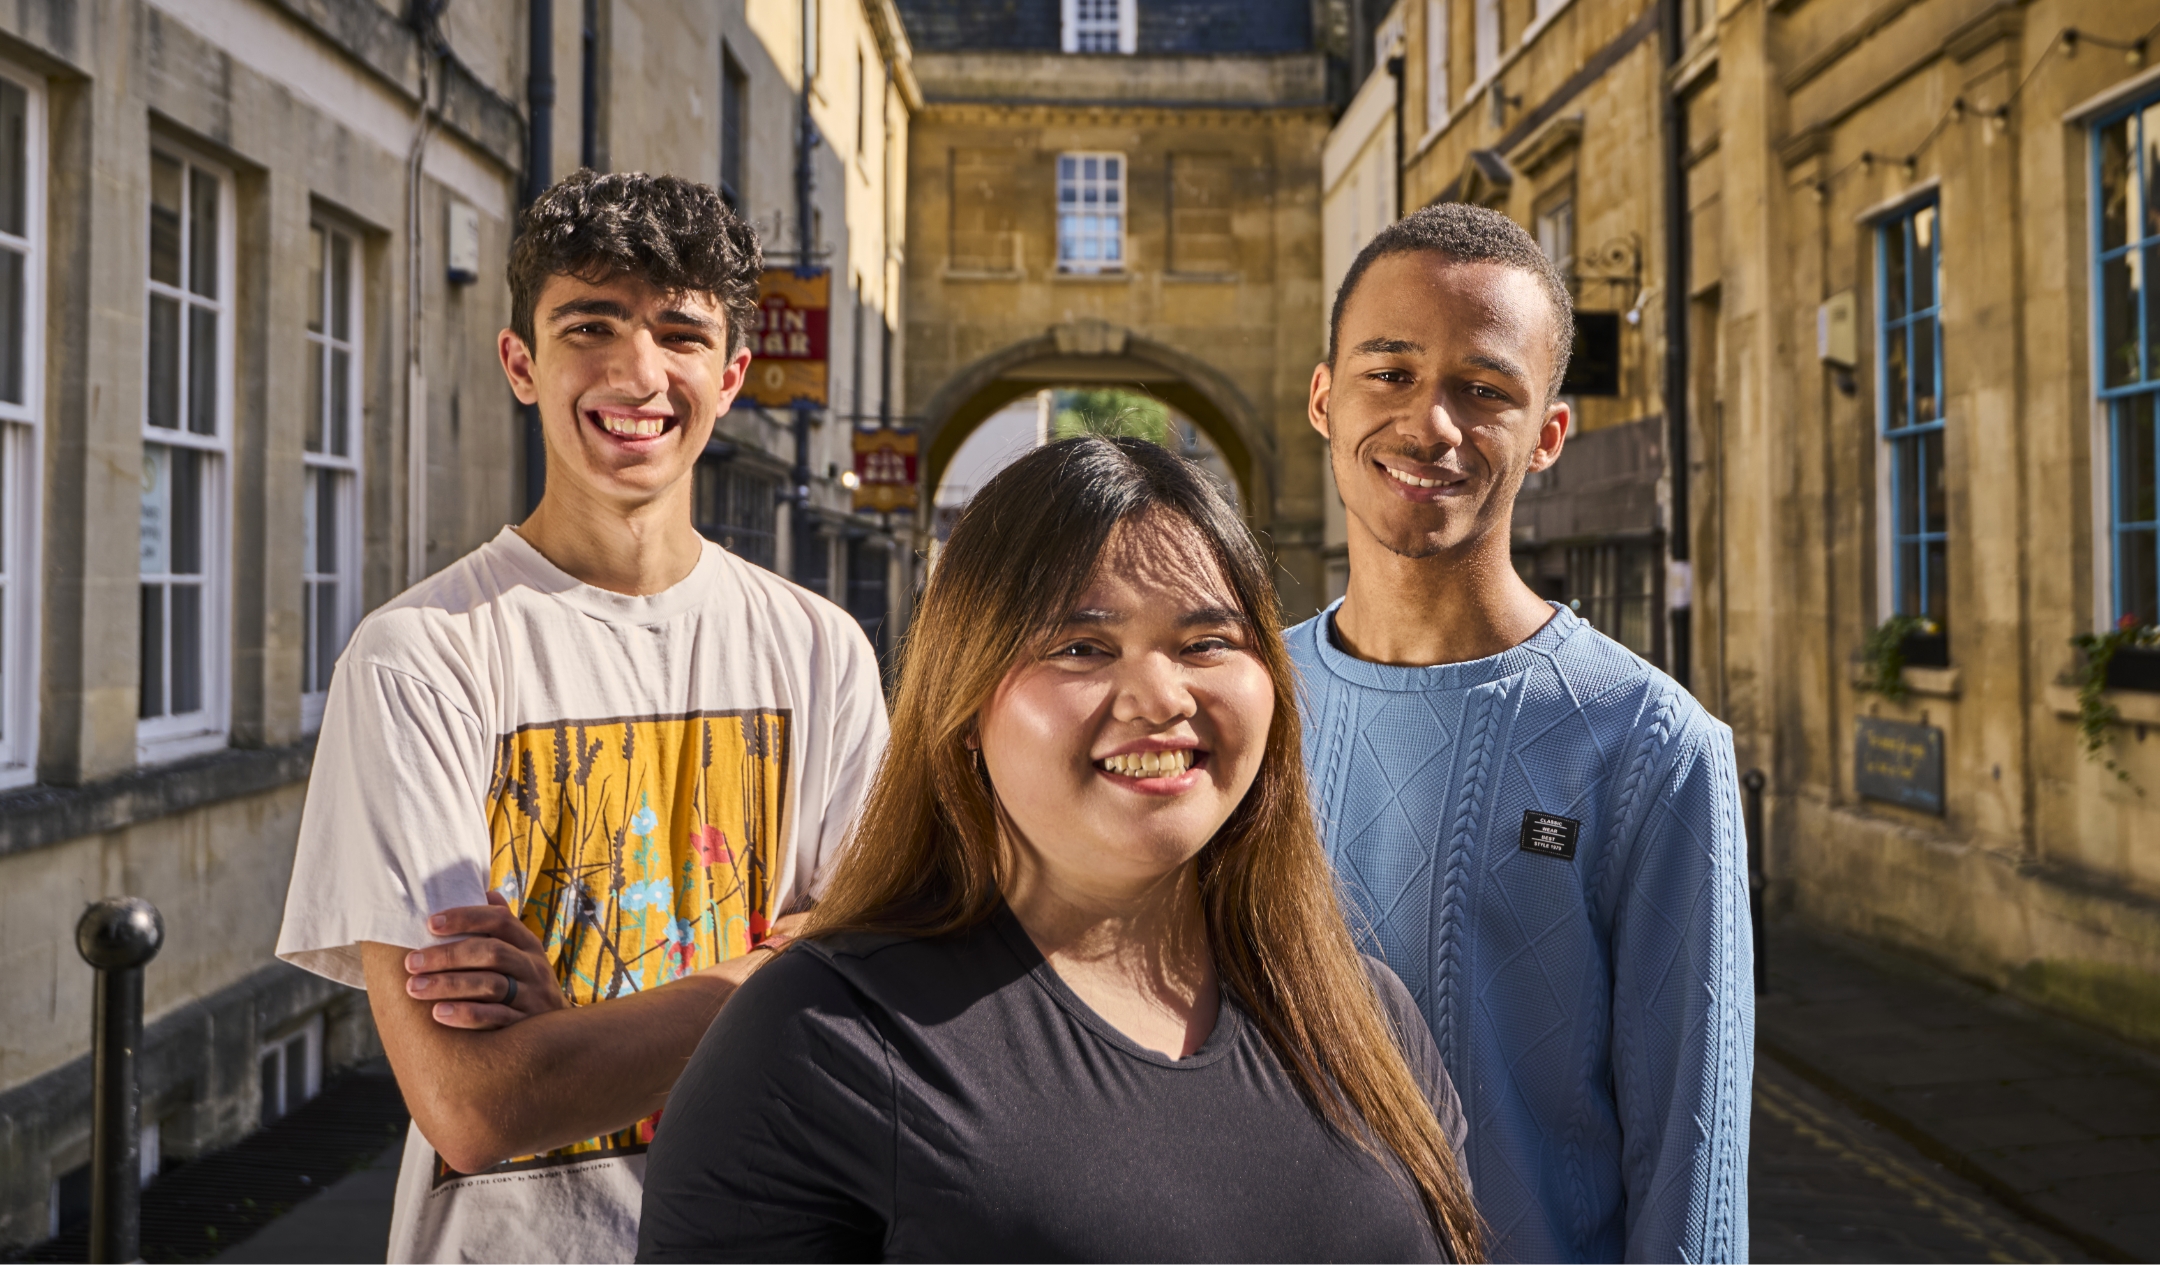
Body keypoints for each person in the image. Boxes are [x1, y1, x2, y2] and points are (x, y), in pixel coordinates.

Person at [635, 436, 1484, 1263]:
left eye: (1205, 643)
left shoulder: (1366, 1016)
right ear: (964, 710)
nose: (1160, 697)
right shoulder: (823, 1041)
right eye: (1082, 647)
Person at [274, 170, 889, 1264]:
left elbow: (885, 994)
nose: (637, 371)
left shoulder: (820, 649)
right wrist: (793, 967)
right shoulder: (421, 658)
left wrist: (564, 1033)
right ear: (522, 362)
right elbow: (475, 1105)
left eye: (680, 332)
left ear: (733, 373)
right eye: (590, 324)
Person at [1293, 203, 1752, 1263]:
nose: (1432, 424)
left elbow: (1695, 1171)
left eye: (1485, 388)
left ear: (1548, 431)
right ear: (1325, 396)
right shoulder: (1241, 702)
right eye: (1391, 371)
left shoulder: (1651, 743)